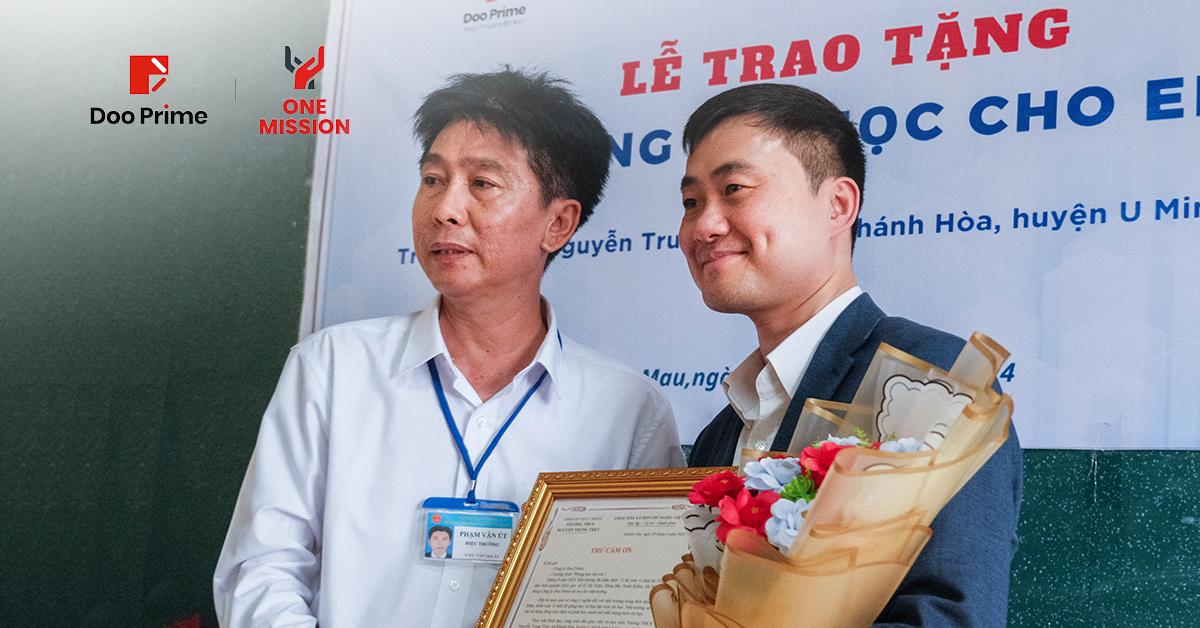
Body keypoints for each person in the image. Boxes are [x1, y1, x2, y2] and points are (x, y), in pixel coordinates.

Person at [214, 68, 685, 628]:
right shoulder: (333, 367)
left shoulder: (629, 412)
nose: (444, 208)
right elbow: (262, 568)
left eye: (482, 183)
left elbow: (643, 602)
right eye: (433, 179)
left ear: (559, 224)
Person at [679, 83, 1023, 627]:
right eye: (691, 202)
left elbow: (948, 615)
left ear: (838, 205)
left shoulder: (928, 380)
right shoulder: (720, 433)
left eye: (735, 190)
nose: (704, 225)